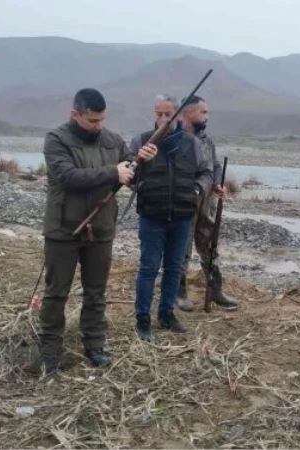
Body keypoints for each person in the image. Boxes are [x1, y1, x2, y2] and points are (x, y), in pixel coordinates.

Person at [37, 88, 157, 373]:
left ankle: (95, 345)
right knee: (56, 293)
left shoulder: (113, 140)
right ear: (74, 114)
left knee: (96, 292)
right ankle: (50, 350)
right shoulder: (56, 139)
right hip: (63, 229)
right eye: (92, 120)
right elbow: (67, 176)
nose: (98, 126)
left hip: (101, 228)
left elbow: (132, 175)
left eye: (102, 120)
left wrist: (144, 162)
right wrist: (113, 172)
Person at [128, 94, 213, 340]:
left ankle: (166, 314)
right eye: (159, 114)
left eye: (168, 114)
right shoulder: (141, 141)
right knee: (148, 268)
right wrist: (140, 171)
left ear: (178, 114)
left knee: (174, 268)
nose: (163, 118)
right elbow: (128, 173)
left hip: (182, 217)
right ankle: (143, 319)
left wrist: (197, 190)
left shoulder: (192, 143)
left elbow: (206, 172)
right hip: (151, 216)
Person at [176, 95, 238, 312]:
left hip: (206, 202)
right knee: (182, 248)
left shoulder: (206, 140)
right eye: (203, 112)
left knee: (210, 247)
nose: (207, 116)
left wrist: (218, 184)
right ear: (188, 113)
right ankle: (179, 293)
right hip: (185, 202)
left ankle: (215, 291)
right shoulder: (176, 139)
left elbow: (215, 166)